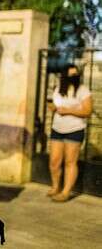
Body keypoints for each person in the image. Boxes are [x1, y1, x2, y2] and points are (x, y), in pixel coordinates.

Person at [47, 64, 92, 202]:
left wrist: (68, 110)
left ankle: (66, 192)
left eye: (76, 75)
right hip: (57, 128)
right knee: (54, 161)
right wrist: (53, 107)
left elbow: (87, 111)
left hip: (75, 130)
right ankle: (55, 187)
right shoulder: (59, 88)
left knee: (70, 162)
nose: (74, 77)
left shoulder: (83, 90)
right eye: (71, 75)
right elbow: (51, 104)